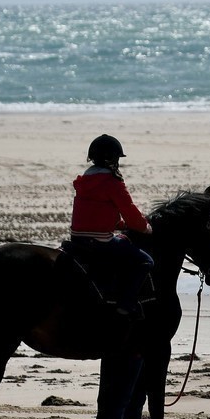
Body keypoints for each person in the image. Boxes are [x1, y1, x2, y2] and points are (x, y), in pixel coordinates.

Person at [69, 134, 155, 318]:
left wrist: (119, 224)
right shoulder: (112, 182)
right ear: (113, 159)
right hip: (100, 242)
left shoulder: (84, 180)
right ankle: (126, 304)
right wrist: (145, 228)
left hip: (76, 238)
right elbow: (130, 212)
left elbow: (97, 211)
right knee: (146, 261)